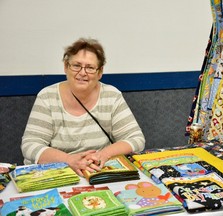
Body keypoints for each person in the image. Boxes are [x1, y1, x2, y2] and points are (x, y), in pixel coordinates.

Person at [21, 38, 145, 176]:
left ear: (100, 72)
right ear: (66, 67)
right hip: (56, 173)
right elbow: (30, 145)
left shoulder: (112, 95)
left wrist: (103, 155)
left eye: (90, 68)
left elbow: (136, 139)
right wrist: (68, 160)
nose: (82, 72)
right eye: (76, 65)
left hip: (97, 171)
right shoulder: (47, 97)